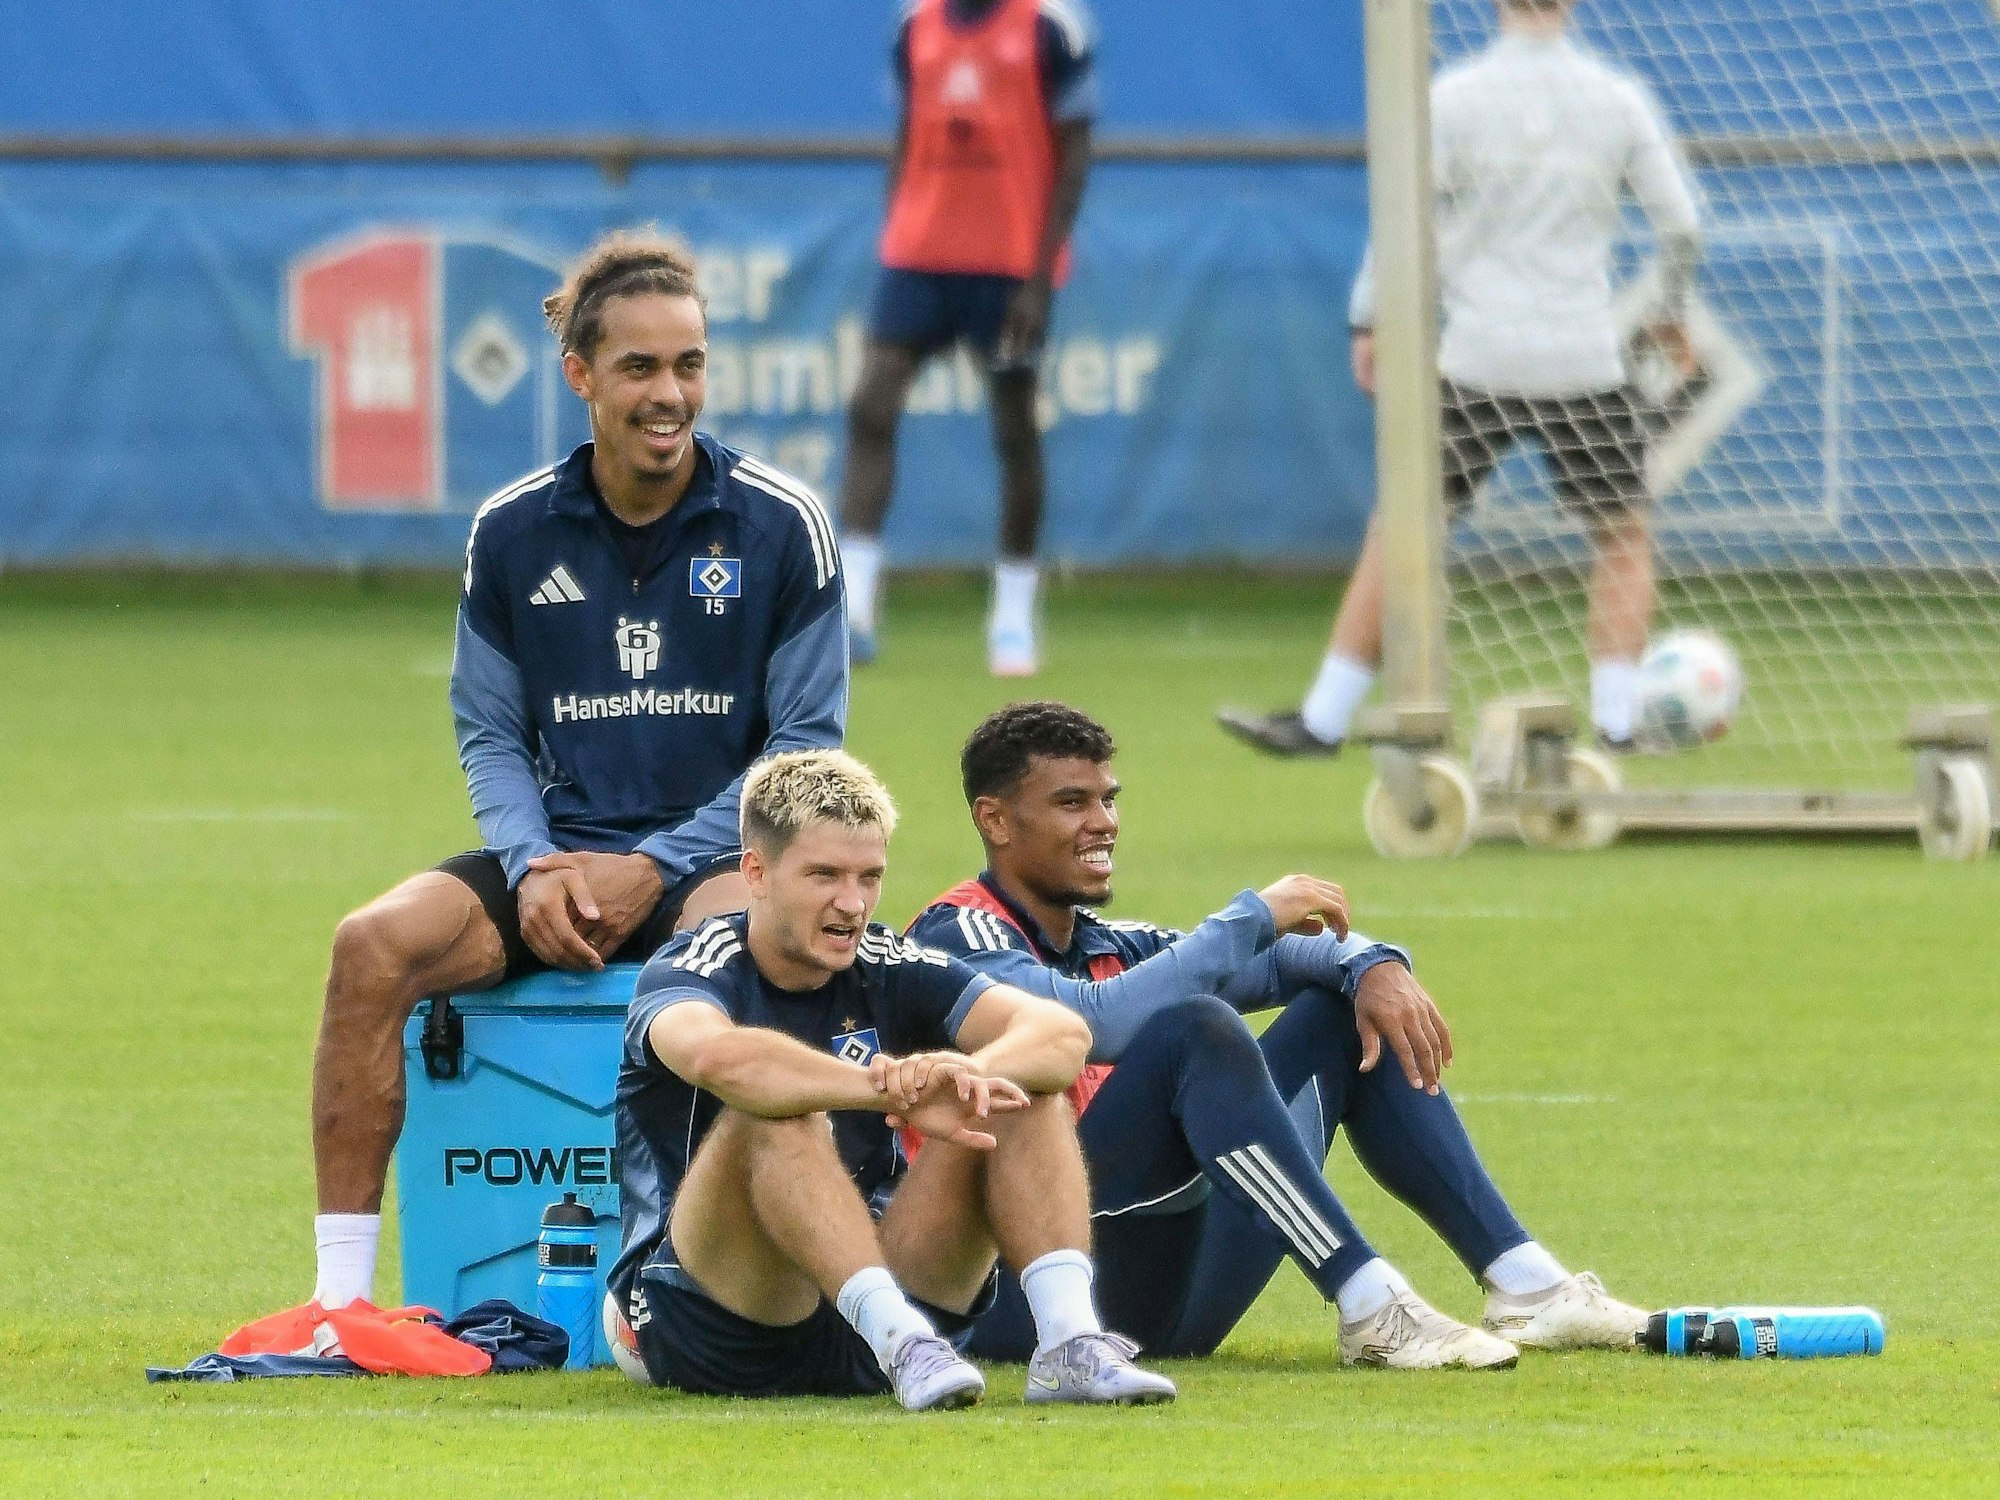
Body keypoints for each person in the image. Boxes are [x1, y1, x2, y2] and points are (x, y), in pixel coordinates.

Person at [304, 232, 849, 1311]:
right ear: (580, 377)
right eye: (640, 368)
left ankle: (720, 1290)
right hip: (555, 862)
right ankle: (337, 1307)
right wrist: (533, 862)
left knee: (746, 942)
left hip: (715, 861)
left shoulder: (782, 525)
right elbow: (491, 732)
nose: (669, 393)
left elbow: (803, 750)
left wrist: (652, 864)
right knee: (370, 948)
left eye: (688, 365)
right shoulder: (510, 531)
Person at [907, 701, 1650, 1367]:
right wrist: (1254, 914)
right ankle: (1369, 1301)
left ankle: (1526, 1285)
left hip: (1165, 1298)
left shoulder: (1108, 940)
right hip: (1022, 1305)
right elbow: (1091, 1024)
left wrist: (1369, 962)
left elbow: (1285, 963)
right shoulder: (954, 935)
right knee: (1195, 1027)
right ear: (996, 820)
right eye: (1072, 802)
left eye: (1108, 799)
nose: (1103, 822)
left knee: (1338, 1010)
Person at [603, 749, 1177, 1409]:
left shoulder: (887, 960)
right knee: (773, 1110)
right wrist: (889, 1087)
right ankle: (902, 1342)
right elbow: (724, 1062)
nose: (852, 903)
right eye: (823, 874)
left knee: (1019, 1086)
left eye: (869, 876)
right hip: (716, 1317)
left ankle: (1071, 1345)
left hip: (884, 1299)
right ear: (755, 873)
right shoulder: (698, 965)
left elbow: (1062, 1036)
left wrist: (965, 1075)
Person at [1220, 0, 1701, 755]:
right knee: (1622, 534)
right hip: (1583, 355)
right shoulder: (1615, 97)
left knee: (1404, 527)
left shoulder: (1456, 96)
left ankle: (1322, 718)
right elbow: (1681, 225)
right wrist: (1667, 312)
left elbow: (1402, 215)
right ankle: (1616, 722)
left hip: (1480, 353)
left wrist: (1369, 317)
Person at [837, 0, 1097, 677]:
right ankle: (855, 605)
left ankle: (1012, 613)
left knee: (1014, 428)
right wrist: (897, 227)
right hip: (919, 257)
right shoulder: (913, 27)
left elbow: (1075, 152)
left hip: (1009, 265)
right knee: (871, 402)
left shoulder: (1050, 27)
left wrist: (1041, 277)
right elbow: (909, 130)